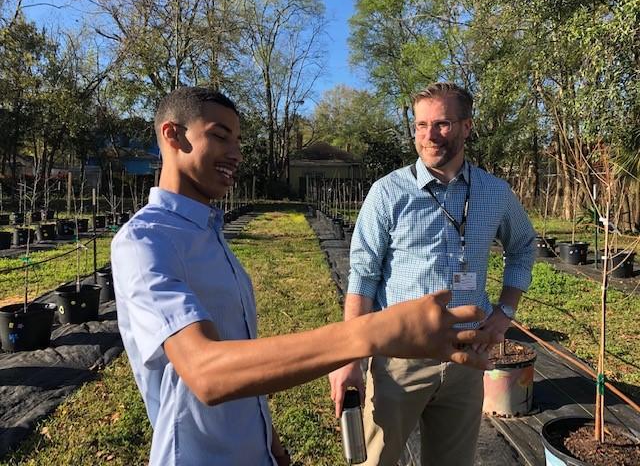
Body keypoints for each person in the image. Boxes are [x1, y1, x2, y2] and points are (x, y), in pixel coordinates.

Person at [111, 86, 500, 466]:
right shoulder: (145, 242)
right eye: (220, 137)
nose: (236, 154)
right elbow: (206, 373)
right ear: (172, 135)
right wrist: (371, 334)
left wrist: (271, 440)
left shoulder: (207, 233)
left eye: (239, 141)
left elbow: (240, 354)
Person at [328, 82, 537, 466]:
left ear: (467, 126)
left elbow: (523, 247)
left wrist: (504, 314)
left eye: (441, 124)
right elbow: (362, 275)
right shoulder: (388, 194)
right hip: (399, 360)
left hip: (466, 359)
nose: (428, 136)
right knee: (375, 460)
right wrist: (348, 358)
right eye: (421, 125)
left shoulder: (494, 193)